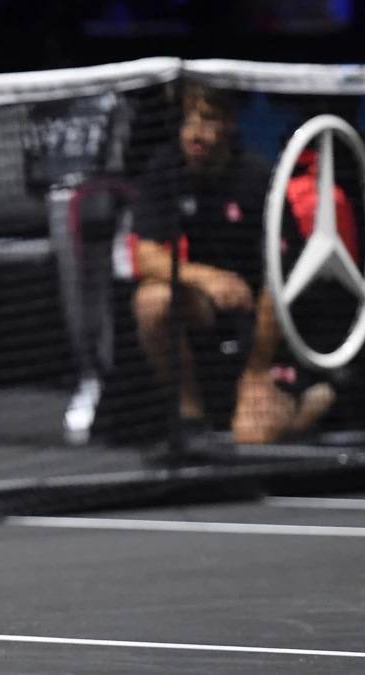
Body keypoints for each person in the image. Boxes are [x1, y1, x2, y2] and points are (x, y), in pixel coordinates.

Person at [130, 82, 334, 446]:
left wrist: (257, 370)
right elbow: (146, 256)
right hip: (214, 306)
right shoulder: (166, 168)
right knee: (152, 301)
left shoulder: (258, 179)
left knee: (251, 438)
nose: (195, 132)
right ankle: (189, 418)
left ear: (229, 123)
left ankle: (310, 402)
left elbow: (279, 283)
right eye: (187, 121)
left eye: (207, 120)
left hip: (270, 320)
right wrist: (207, 277)